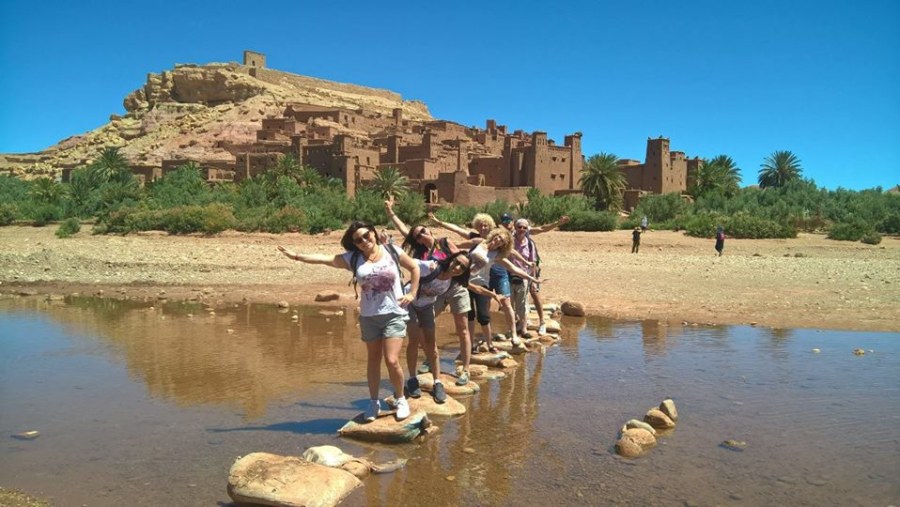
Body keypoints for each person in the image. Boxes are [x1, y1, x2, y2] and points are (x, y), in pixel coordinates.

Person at [277, 221, 420, 422]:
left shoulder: (391, 250)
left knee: (392, 359)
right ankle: (373, 402)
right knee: (373, 360)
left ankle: (401, 399)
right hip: (369, 317)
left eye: (365, 236)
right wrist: (297, 256)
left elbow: (414, 267)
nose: (363, 241)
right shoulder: (353, 259)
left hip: (394, 314)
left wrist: (412, 293)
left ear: (373, 233)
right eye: (358, 240)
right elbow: (326, 259)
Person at [385, 200, 475, 388]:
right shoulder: (421, 256)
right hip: (433, 293)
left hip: (454, 286)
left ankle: (465, 370)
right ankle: (427, 366)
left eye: (424, 230)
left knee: (463, 328)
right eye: (418, 235)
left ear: (430, 230)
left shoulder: (444, 242)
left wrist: (465, 281)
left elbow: (461, 262)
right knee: (422, 332)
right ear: (416, 240)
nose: (422, 235)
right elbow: (403, 230)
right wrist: (390, 212)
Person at [459, 227, 539, 353]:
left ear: (503, 245)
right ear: (494, 235)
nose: (497, 240)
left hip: (482, 285)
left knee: (483, 316)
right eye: (498, 237)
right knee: (469, 315)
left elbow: (513, 268)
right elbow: (458, 246)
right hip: (466, 283)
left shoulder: (496, 255)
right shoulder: (479, 242)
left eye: (501, 241)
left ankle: (490, 344)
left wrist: (532, 278)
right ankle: (471, 344)